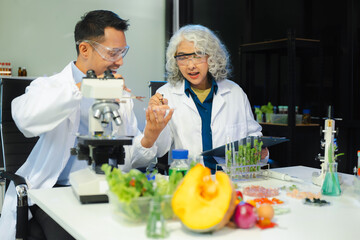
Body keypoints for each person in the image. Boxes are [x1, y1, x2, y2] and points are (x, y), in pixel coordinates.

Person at [0, 10, 152, 240]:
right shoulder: (51, 86)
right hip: (56, 193)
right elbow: (25, 119)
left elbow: (130, 156)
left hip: (107, 192)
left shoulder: (118, 91)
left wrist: (151, 133)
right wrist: (83, 88)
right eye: (113, 53)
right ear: (84, 49)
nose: (120, 61)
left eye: (122, 52)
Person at [134, 24, 268, 173]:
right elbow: (157, 151)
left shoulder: (235, 92)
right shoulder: (165, 96)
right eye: (183, 57)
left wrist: (261, 152)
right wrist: (153, 129)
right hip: (188, 178)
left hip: (230, 179)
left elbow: (253, 136)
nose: (190, 65)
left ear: (211, 56)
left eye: (198, 55)